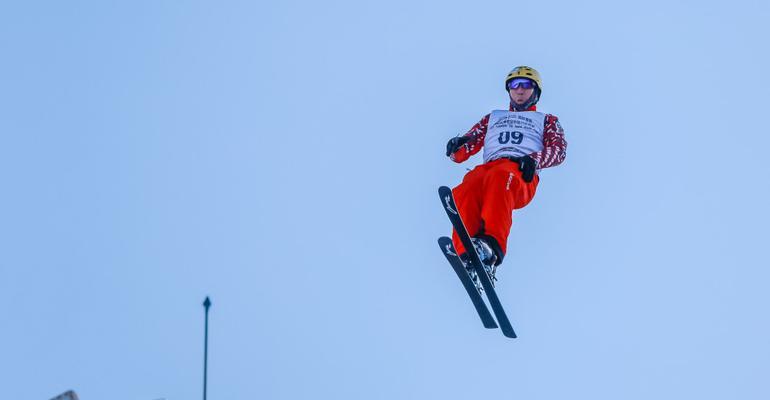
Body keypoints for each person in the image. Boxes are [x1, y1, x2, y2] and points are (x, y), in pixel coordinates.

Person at [445, 66, 567, 284]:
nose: (520, 90)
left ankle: (491, 247)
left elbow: (559, 150)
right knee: (467, 187)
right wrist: (458, 146)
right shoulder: (494, 118)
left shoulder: (546, 120)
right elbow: (465, 149)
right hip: (489, 168)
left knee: (501, 178)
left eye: (526, 85)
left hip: (518, 171)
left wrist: (534, 159)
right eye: (514, 85)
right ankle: (467, 252)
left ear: (536, 91)